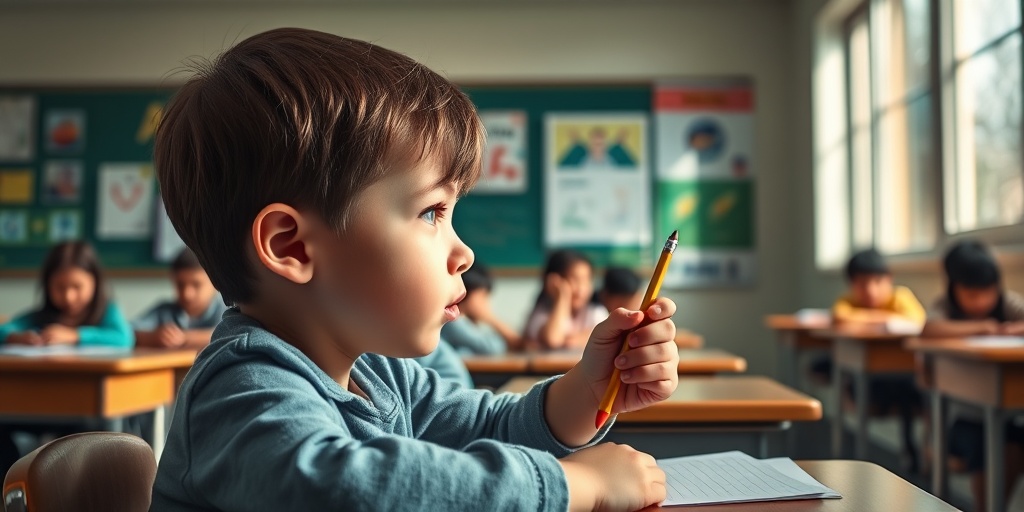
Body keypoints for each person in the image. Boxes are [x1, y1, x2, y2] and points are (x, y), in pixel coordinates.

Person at [149, 28, 679, 511]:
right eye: (431, 213)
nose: (464, 253)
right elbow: (352, 489)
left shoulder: (377, 374)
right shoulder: (241, 389)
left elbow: (488, 427)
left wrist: (588, 389)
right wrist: (574, 487)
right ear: (293, 247)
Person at [0, 240, 134, 476]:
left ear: (95, 282)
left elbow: (124, 338)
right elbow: (6, 329)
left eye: (77, 286)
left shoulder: (106, 313)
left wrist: (75, 336)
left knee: (90, 434)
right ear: (46, 286)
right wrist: (15, 337)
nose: (69, 296)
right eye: (60, 287)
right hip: (39, 406)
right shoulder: (41, 317)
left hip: (85, 412)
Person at [920, 240, 1024, 512]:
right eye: (971, 293)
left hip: (1007, 414)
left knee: (1013, 436)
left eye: (987, 292)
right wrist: (984, 327)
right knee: (986, 441)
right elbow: (929, 329)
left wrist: (1011, 331)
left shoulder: (1006, 302)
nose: (980, 301)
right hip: (960, 420)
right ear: (953, 288)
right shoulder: (944, 306)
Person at [133, 248, 227, 349]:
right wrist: (153, 337)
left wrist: (186, 338)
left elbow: (233, 334)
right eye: (180, 285)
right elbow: (127, 332)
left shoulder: (227, 311)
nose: (187, 294)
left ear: (215, 283)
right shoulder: (164, 311)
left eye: (196, 285)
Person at [598, 266, 703, 349]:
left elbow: (695, 341)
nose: (631, 308)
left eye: (636, 299)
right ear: (605, 296)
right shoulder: (597, 313)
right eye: (624, 302)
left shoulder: (642, 314)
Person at [523, 249, 609, 350]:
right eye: (574, 280)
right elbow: (553, 340)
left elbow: (607, 337)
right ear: (555, 282)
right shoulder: (542, 313)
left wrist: (572, 340)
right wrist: (562, 297)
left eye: (586, 280)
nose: (581, 290)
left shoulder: (595, 311)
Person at [831, 248, 926, 327]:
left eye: (878, 281)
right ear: (851, 283)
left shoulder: (900, 296)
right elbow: (839, 317)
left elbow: (917, 320)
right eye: (862, 283)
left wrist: (862, 318)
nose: (871, 291)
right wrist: (889, 319)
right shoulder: (848, 300)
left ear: (889, 279)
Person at [441, 262, 521, 355]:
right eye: (484, 296)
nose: (487, 302)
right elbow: (492, 348)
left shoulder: (464, 322)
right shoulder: (453, 321)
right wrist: (490, 318)